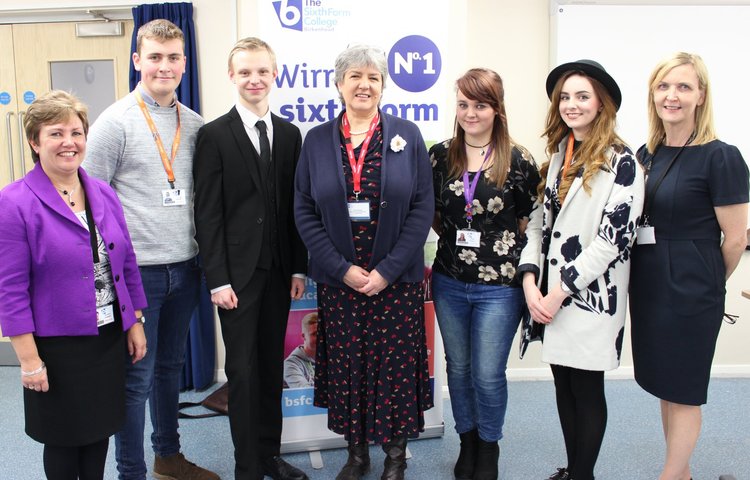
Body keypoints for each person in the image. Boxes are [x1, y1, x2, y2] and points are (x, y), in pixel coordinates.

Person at [82, 20, 217, 480]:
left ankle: (168, 456)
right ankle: (131, 471)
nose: (165, 65)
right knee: (135, 378)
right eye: (154, 56)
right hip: (136, 276)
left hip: (186, 267)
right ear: (137, 61)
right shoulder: (113, 123)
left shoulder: (196, 125)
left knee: (170, 369)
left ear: (184, 63)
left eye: (173, 57)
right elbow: (89, 207)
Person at [294, 44, 434, 480]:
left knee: (393, 370)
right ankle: (357, 456)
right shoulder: (316, 140)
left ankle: (395, 458)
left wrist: (387, 270)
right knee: (350, 369)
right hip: (341, 284)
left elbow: (422, 207)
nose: (364, 84)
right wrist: (342, 269)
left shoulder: (406, 135)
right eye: (355, 76)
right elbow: (303, 209)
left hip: (396, 282)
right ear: (338, 84)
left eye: (373, 77)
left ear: (384, 85)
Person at [0, 90, 147, 480]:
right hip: (57, 344)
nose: (69, 142)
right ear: (35, 141)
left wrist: (133, 321)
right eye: (56, 133)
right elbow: (10, 290)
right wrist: (29, 361)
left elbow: (125, 261)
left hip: (106, 335)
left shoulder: (102, 191)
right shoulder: (14, 202)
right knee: (64, 439)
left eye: (77, 132)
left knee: (99, 432)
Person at [518, 60, 644, 480]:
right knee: (564, 385)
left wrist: (557, 293)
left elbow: (612, 240)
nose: (572, 105)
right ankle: (574, 469)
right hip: (550, 295)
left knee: (587, 389)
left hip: (591, 297)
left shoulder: (623, 163)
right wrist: (531, 282)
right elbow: (538, 224)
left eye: (582, 96)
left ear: (601, 103)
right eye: (565, 97)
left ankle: (583, 475)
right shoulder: (557, 156)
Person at [193, 37, 309, 480]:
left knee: (269, 368)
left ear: (274, 74)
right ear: (232, 76)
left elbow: (297, 208)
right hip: (236, 279)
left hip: (280, 273)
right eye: (245, 72)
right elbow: (208, 213)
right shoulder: (214, 135)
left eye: (262, 71)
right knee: (241, 371)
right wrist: (217, 279)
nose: (254, 79)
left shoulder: (290, 133)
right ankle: (247, 468)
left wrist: (299, 266)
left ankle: (269, 456)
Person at [629, 52, 749, 480]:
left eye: (683, 86)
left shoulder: (722, 157)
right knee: (665, 385)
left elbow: (736, 237)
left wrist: (708, 283)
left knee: (684, 392)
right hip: (647, 286)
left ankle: (670, 477)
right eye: (663, 86)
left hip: (692, 288)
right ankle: (680, 473)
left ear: (701, 95)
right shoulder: (646, 154)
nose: (672, 95)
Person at [430, 68, 540, 480]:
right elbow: (438, 217)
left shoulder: (519, 159)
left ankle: (489, 446)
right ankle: (468, 441)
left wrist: (496, 251)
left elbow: (530, 222)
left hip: (501, 286)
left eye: (480, 105)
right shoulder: (441, 155)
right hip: (449, 280)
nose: (470, 113)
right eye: (463, 104)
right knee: (457, 367)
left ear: (497, 108)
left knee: (488, 372)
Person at [283, 312, 318, 388]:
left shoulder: (333, 358)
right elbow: (304, 393)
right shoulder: (290, 364)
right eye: (315, 334)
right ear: (303, 336)